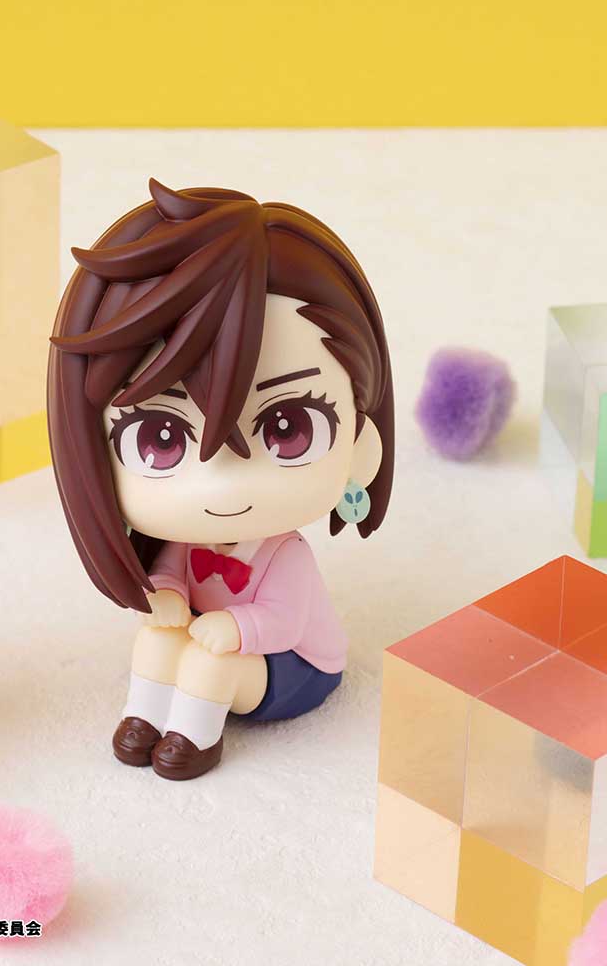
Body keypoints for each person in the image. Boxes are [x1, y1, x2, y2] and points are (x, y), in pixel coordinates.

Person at [48, 180, 394, 780]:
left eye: (289, 428)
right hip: (216, 638)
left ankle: (194, 738)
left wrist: (233, 627)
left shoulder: (285, 554)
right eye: (161, 438)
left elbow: (284, 622)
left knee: (212, 667)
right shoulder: (185, 543)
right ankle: (143, 720)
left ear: (360, 443)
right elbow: (170, 574)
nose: (221, 485)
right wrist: (166, 595)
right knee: (157, 639)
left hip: (294, 665)